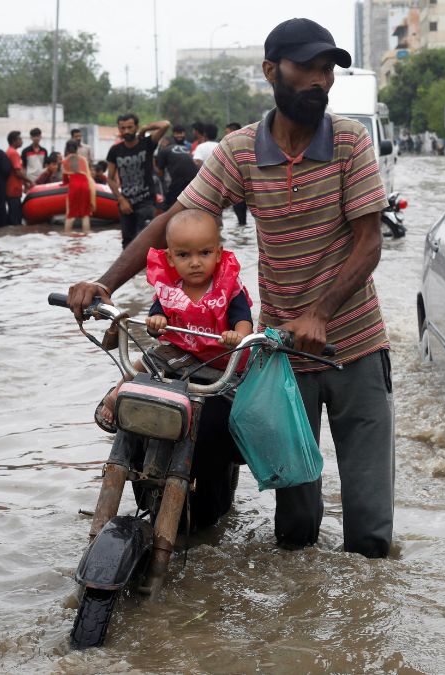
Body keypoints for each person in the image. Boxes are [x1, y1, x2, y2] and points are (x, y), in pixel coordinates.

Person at [68, 18, 393, 558]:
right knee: (295, 530)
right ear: (271, 71)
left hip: (355, 347)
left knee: (370, 535)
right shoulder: (241, 151)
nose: (320, 80)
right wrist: (102, 284)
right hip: (282, 355)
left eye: (327, 69)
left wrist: (320, 311)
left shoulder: (350, 142)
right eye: (306, 67)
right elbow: (175, 221)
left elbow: (369, 245)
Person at [94, 209, 253, 431]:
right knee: (149, 357)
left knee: (248, 406)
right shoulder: (170, 289)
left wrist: (239, 337)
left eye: (204, 253)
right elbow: (156, 317)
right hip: (182, 354)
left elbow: (243, 319)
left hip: (222, 360)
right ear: (170, 258)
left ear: (218, 254)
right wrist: (156, 322)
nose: (195, 262)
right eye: (184, 255)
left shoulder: (229, 288)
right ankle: (116, 394)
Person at [106, 113, 169, 248]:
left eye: (130, 127)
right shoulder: (115, 151)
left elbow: (165, 124)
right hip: (126, 204)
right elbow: (110, 179)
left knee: (145, 241)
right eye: (122, 128)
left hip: (146, 201)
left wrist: (146, 129)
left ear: (136, 127)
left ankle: (148, 269)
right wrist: (121, 199)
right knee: (127, 244)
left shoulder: (147, 144)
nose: (126, 131)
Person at [154, 135, 197, 217]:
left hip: (180, 178)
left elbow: (160, 173)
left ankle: (167, 222)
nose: (160, 145)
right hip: (195, 178)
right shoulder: (184, 148)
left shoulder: (164, 151)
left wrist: (152, 164)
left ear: (165, 142)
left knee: (168, 204)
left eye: (161, 143)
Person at [62, 139, 95, 234]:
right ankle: (86, 234)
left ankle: (67, 235)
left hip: (74, 186)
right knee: (85, 215)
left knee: (70, 215)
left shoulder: (65, 161)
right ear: (77, 149)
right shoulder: (83, 160)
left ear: (67, 149)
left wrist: (64, 183)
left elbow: (65, 179)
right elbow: (89, 177)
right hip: (85, 185)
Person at [224, 122, 249, 226]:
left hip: (238, 184)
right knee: (243, 216)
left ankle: (242, 231)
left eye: (227, 132)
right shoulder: (247, 143)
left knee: (240, 215)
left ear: (233, 131)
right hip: (245, 185)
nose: (226, 135)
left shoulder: (235, 145)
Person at [4, 130, 31, 226]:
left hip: (10, 188)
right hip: (14, 189)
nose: (22, 141)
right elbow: (18, 172)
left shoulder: (9, 152)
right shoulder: (14, 153)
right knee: (15, 218)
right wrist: (29, 181)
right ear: (14, 141)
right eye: (20, 139)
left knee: (12, 215)